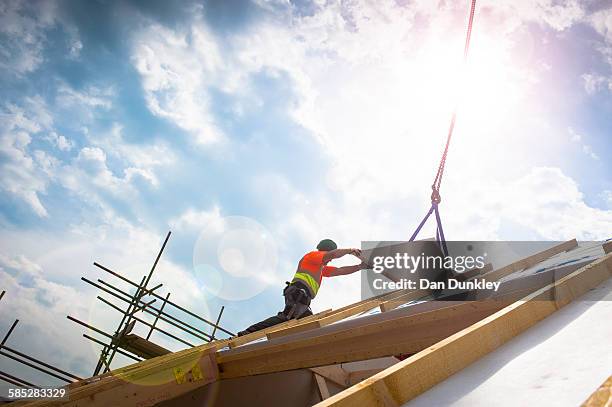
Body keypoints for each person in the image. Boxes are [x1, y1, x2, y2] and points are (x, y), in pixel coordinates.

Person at [237, 239, 367, 336]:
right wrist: (351, 250)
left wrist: (360, 267)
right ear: (326, 250)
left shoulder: (321, 268)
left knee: (309, 328)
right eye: (330, 255)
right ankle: (248, 332)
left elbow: (340, 270)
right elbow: (332, 255)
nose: (331, 261)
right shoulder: (313, 256)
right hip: (297, 293)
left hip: (303, 300)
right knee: (286, 318)